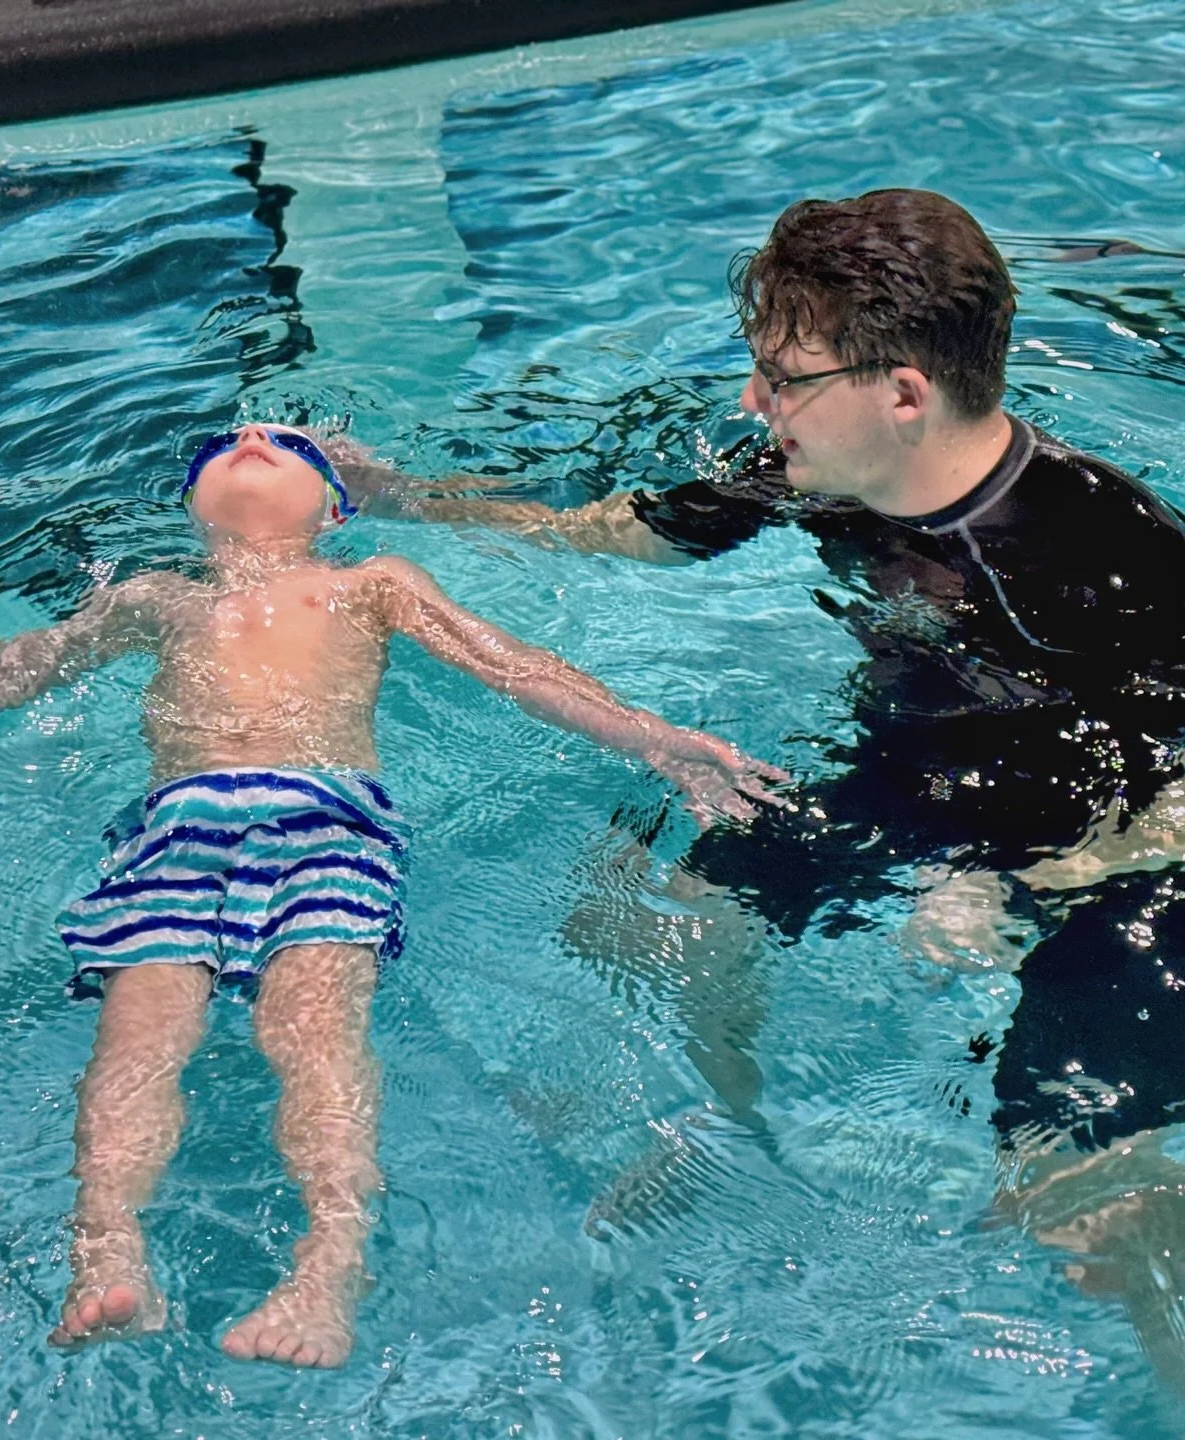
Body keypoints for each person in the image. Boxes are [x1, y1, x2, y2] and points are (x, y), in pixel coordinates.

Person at [336, 189, 1185, 1387]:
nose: (753, 402)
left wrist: (1021, 880)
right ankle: (720, 1137)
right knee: (649, 913)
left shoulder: (1102, 552)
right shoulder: (827, 468)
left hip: (1127, 865)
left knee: (1068, 1194)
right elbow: (623, 531)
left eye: (784, 376)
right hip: (920, 780)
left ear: (904, 393)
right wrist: (400, 499)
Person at [0, 422, 780, 1368]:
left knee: (312, 1036)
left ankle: (330, 1268)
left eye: (281, 442)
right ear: (191, 509)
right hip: (172, 834)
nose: (248, 435)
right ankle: (110, 1255)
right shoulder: (151, 597)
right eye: (219, 444)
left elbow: (508, 664)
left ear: (335, 508)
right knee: (136, 1042)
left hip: (323, 822)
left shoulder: (369, 579)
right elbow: (4, 671)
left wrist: (650, 734)